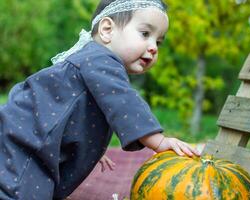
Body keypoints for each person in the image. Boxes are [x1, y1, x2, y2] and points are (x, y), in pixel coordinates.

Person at [0, 0, 200, 199]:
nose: (153, 47)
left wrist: (87, 146)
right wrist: (159, 141)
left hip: (27, 135)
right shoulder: (101, 59)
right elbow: (125, 103)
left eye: (158, 41)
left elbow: (68, 112)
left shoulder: (93, 61)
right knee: (19, 189)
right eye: (145, 34)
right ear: (106, 29)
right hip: (24, 143)